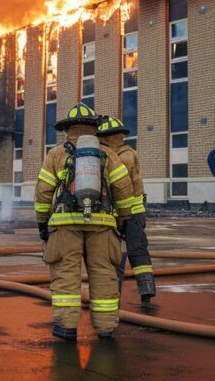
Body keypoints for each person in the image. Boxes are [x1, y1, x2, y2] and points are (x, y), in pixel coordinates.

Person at [35, 102, 136, 340]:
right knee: (103, 273)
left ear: (68, 128)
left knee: (66, 274)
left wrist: (42, 223)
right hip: (102, 224)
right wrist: (123, 220)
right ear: (94, 127)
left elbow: (43, 192)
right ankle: (105, 327)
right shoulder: (109, 154)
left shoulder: (56, 154)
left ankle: (67, 326)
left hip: (65, 224)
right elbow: (124, 189)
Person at [96, 115, 156, 302]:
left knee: (114, 252)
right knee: (138, 250)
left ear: (106, 137)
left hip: (122, 213)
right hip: (136, 213)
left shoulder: (114, 157)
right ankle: (146, 289)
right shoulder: (129, 152)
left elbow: (120, 188)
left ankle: (114, 291)